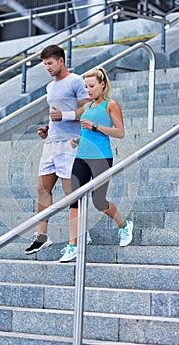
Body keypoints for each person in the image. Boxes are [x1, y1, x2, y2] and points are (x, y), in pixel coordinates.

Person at [59, 67, 134, 262]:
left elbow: (120, 132)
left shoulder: (111, 105)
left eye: (91, 86)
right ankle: (73, 245)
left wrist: (95, 127)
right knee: (74, 200)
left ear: (102, 84)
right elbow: (86, 132)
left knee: (98, 202)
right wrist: (78, 139)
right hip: (81, 156)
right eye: (85, 86)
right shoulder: (87, 107)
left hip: (101, 157)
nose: (88, 90)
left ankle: (124, 225)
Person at [25, 44, 90, 255]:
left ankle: (81, 233)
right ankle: (42, 236)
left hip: (70, 142)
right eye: (45, 65)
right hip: (51, 141)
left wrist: (66, 116)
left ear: (61, 61)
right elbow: (55, 113)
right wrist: (47, 127)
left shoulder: (76, 81)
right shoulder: (50, 87)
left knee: (70, 191)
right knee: (42, 188)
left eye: (50, 63)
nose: (48, 68)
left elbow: (88, 109)